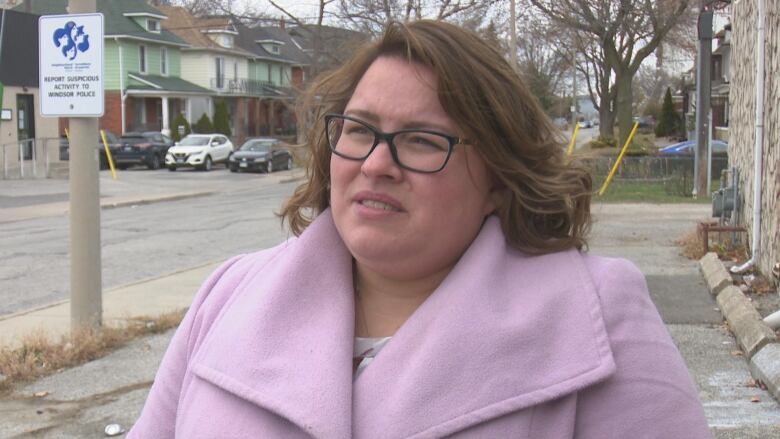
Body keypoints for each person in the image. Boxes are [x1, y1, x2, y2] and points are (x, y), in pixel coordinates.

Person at [128, 20, 711, 439]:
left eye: (422, 141)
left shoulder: (597, 314)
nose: (376, 163)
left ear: (500, 180)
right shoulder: (230, 296)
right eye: (358, 130)